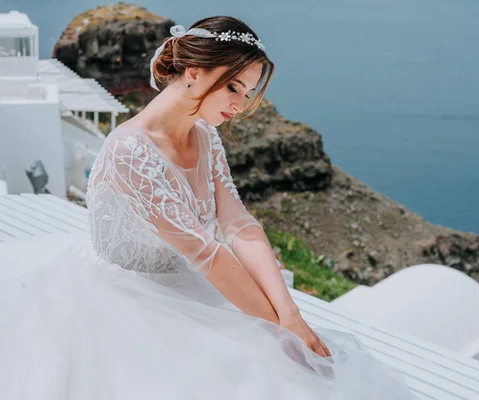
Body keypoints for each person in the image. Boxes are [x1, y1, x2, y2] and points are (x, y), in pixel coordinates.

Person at [0, 16, 417, 399]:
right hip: (121, 302)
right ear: (194, 73)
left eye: (248, 93)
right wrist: (280, 329)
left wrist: (290, 313)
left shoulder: (205, 136)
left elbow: (238, 224)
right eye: (233, 87)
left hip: (183, 286)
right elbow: (210, 256)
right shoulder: (129, 149)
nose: (240, 104)